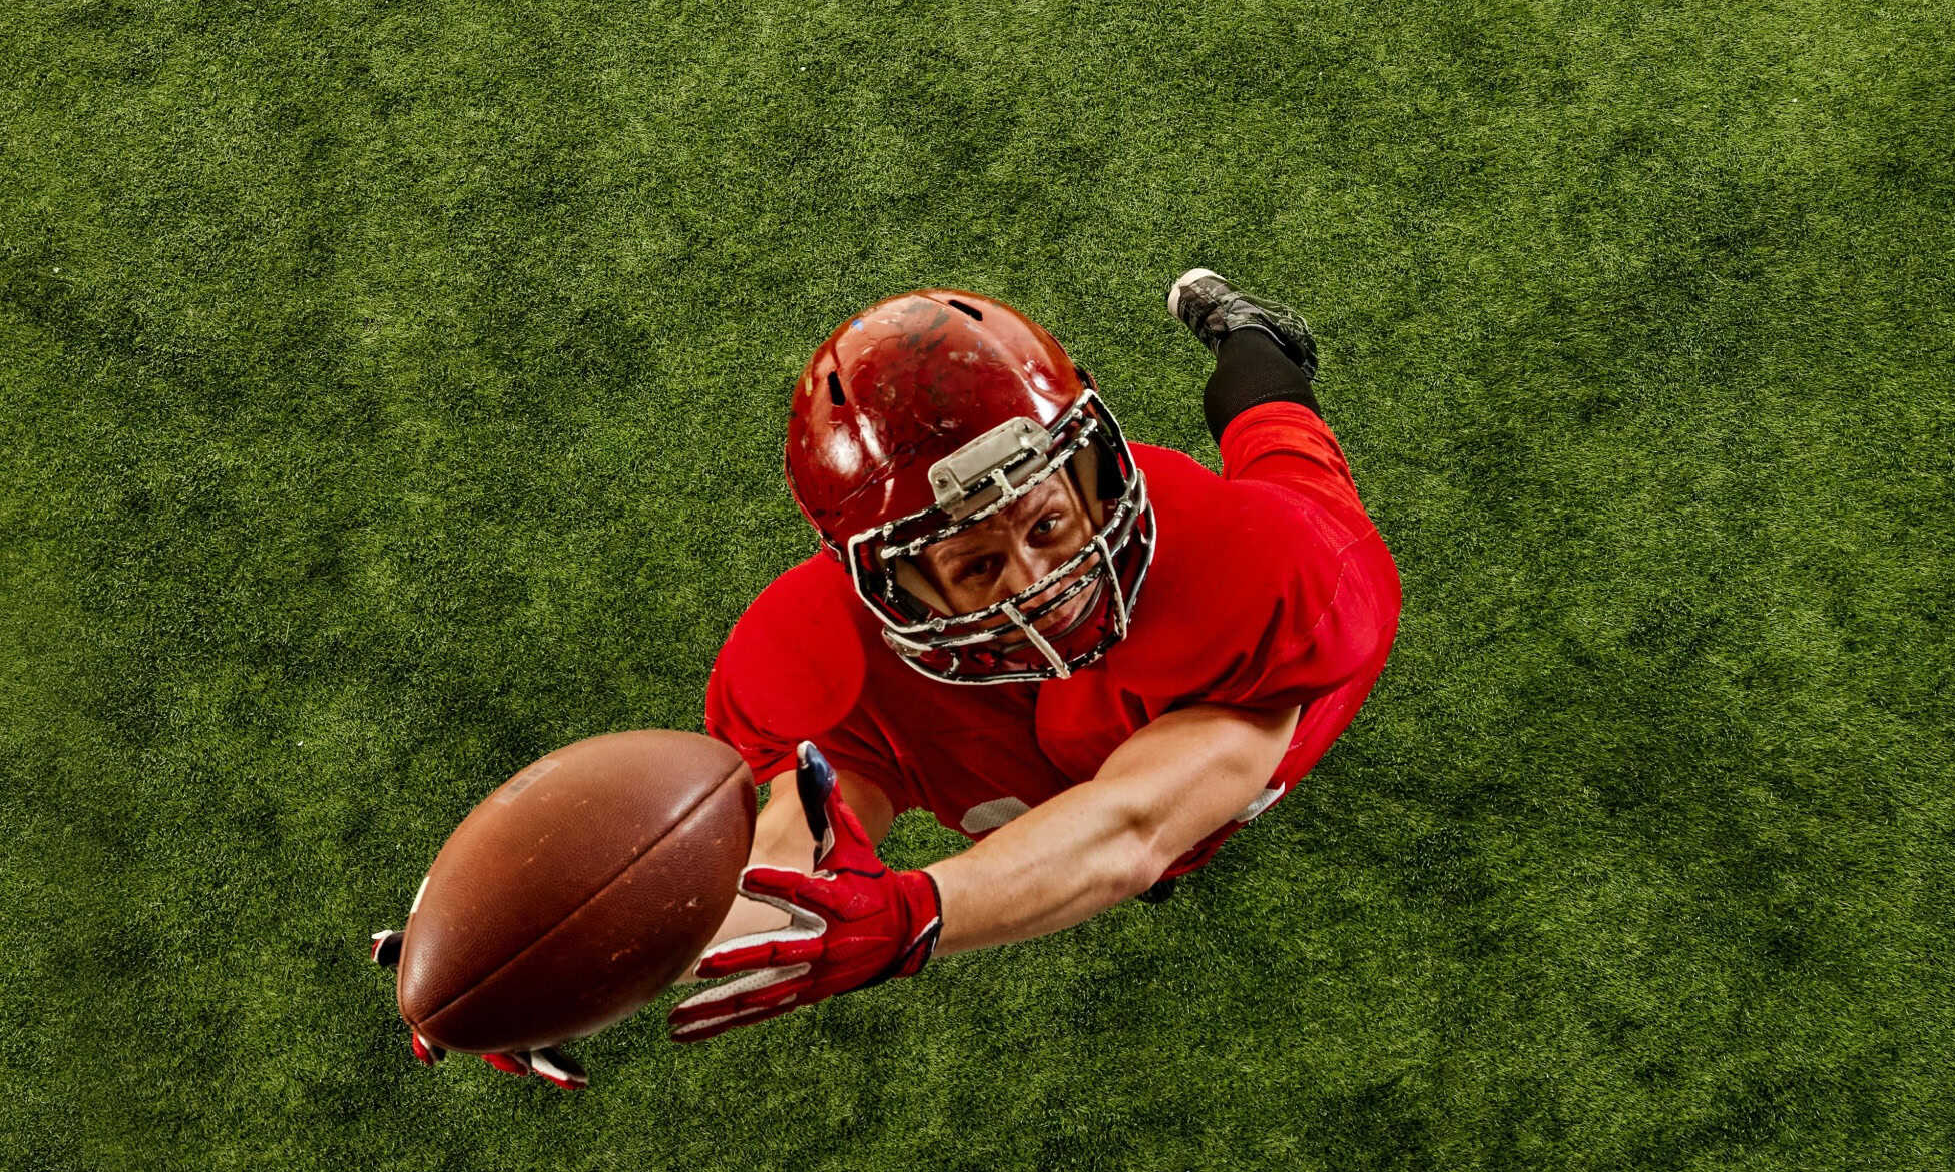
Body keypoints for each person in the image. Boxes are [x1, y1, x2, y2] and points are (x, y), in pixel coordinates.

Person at [383, 272, 1401, 1088]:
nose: (1044, 584)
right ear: (882, 582)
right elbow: (790, 875)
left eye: (1049, 523)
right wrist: (530, 962)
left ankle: (1250, 333)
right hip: (1042, 746)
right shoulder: (817, 652)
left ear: (1095, 474)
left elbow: (1134, 824)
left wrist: (918, 915)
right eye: (975, 565)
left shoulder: (1271, 568)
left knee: (1275, 433)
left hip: (1277, 545)